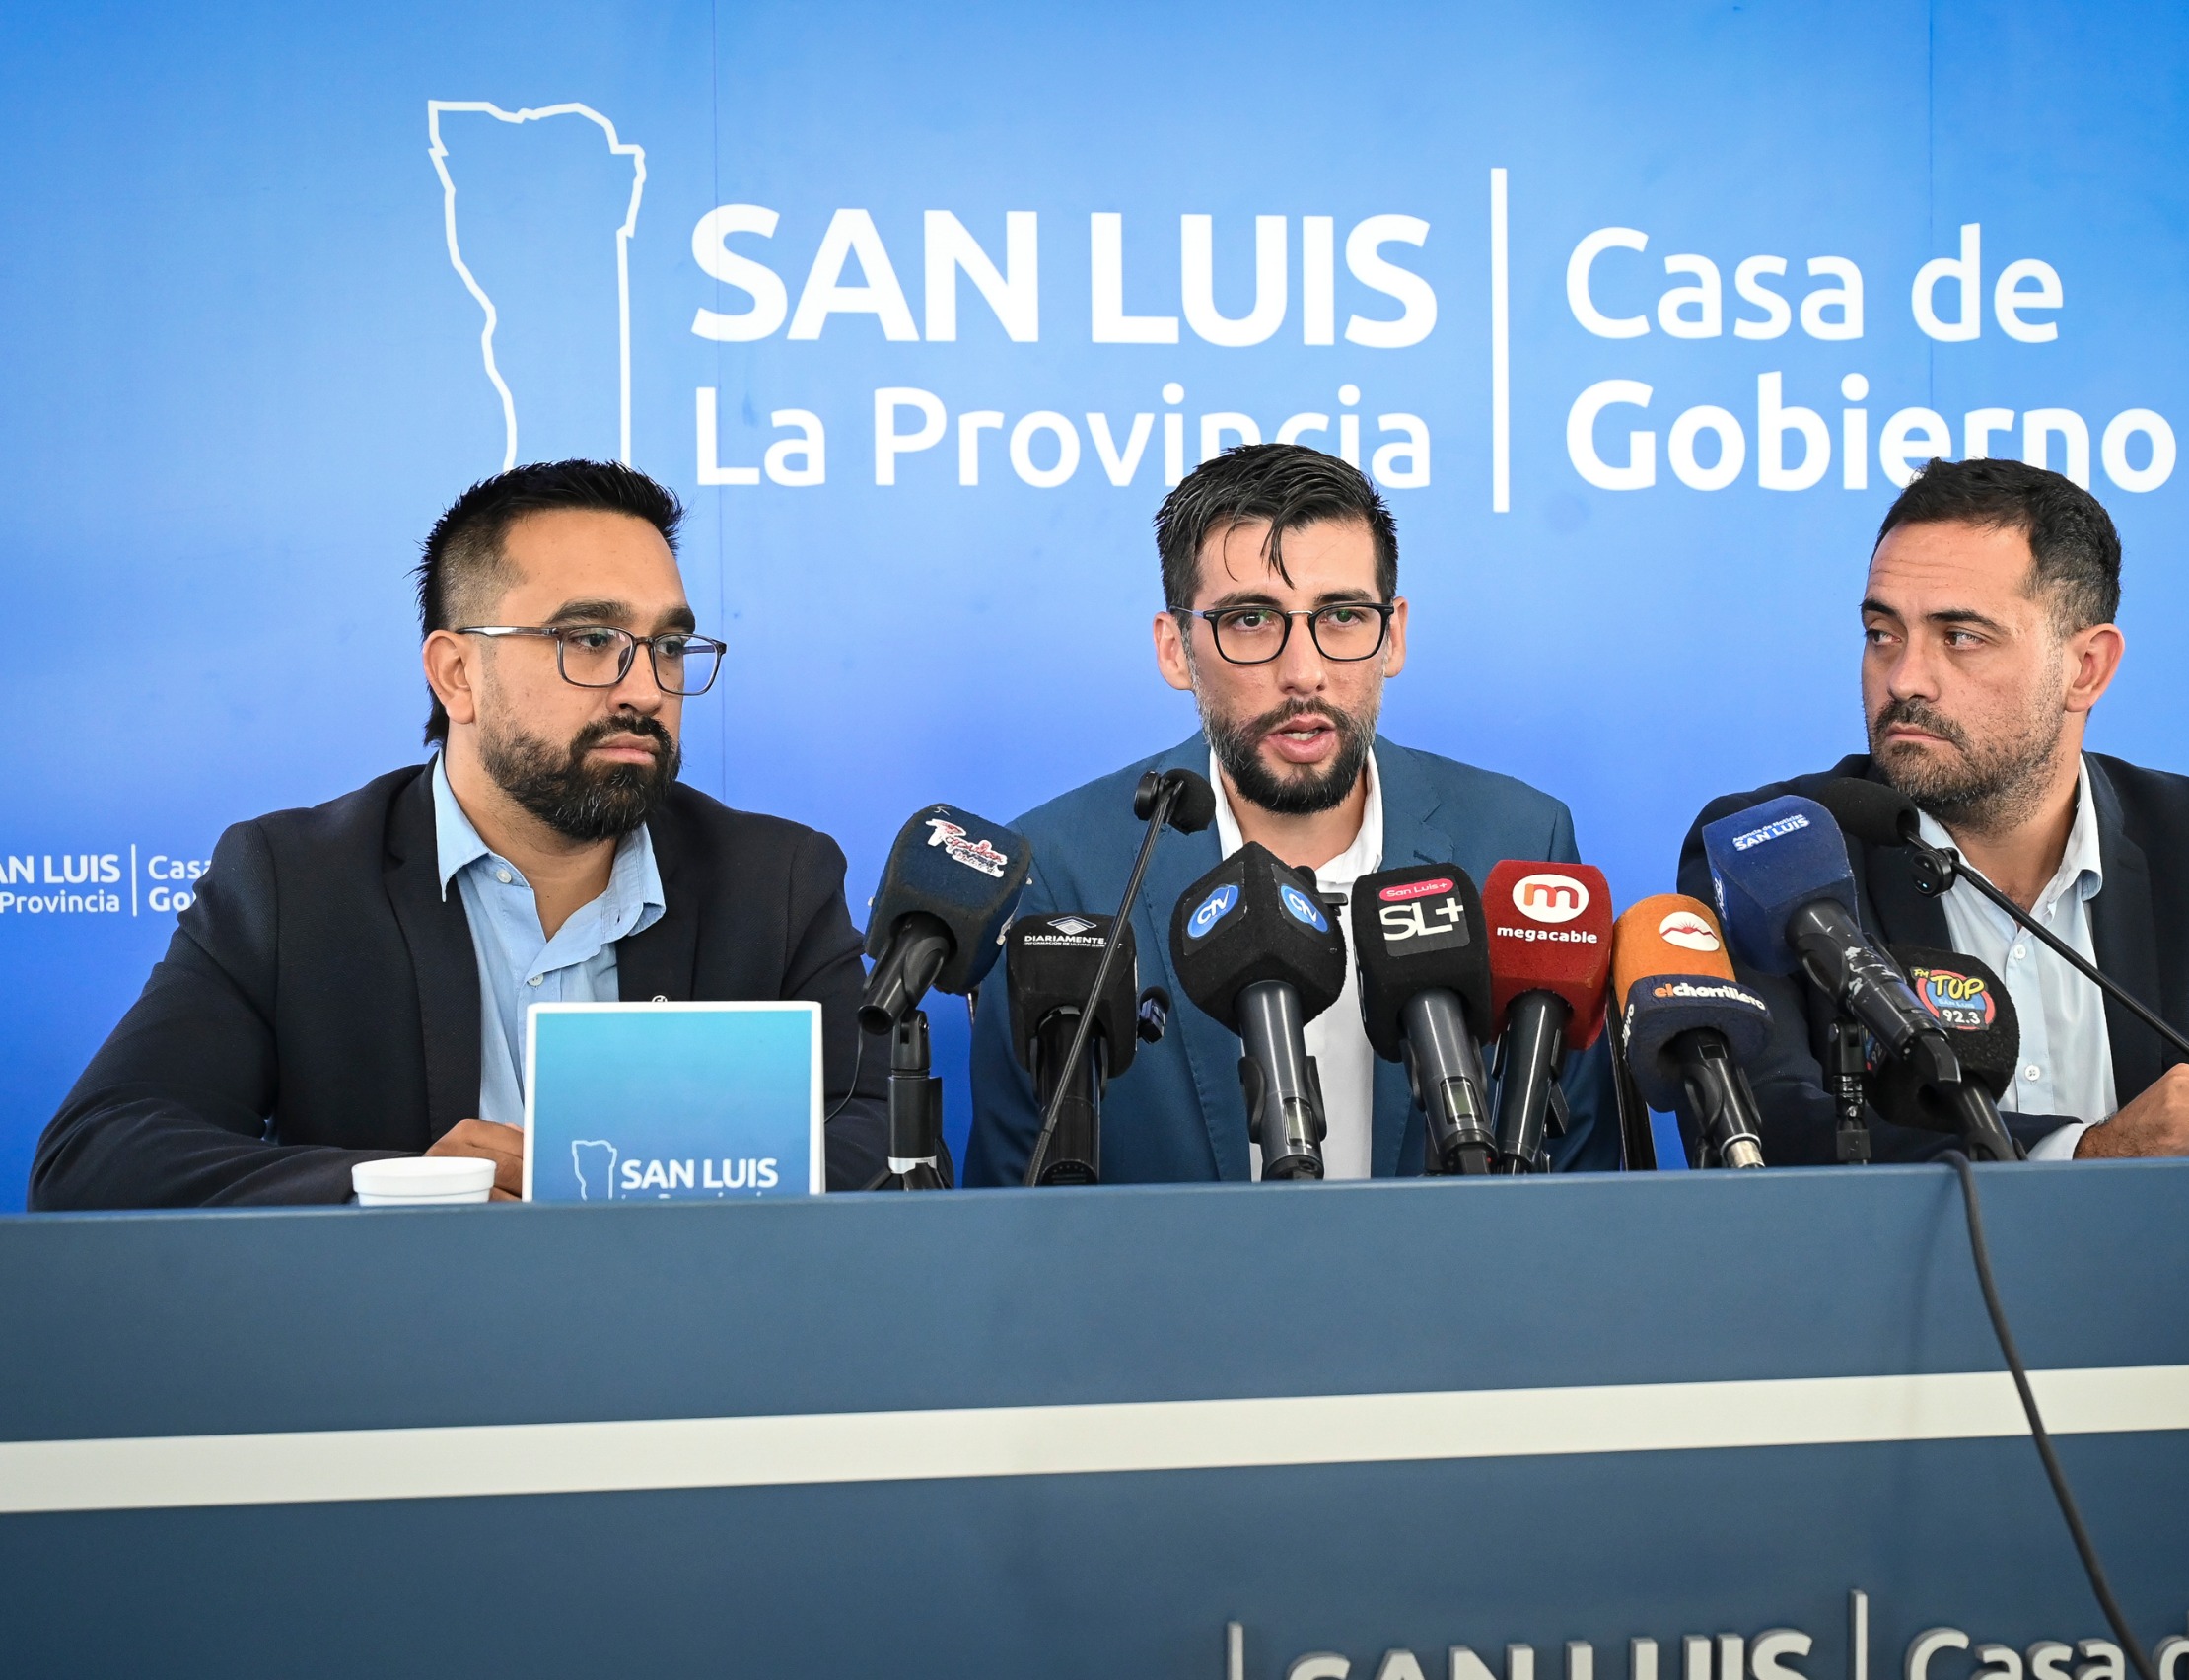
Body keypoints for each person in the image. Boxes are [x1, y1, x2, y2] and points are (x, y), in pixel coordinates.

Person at [31, 461, 888, 1208]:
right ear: (456, 673)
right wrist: (409, 1189)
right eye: (591, 639)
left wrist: (663, 1186)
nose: (645, 689)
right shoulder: (292, 883)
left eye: (667, 644)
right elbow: (96, 1158)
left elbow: (889, 1146)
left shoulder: (776, 880)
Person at [1678, 457, 2189, 1161]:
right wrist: (2092, 1151)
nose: (1904, 679)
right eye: (1882, 632)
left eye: (1960, 636)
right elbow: (1768, 1133)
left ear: (2087, 668)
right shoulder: (1774, 856)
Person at [964, 444, 1619, 1184]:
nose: (1304, 674)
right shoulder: (1062, 872)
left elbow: (1582, 1202)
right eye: (1250, 620)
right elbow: (1015, 1221)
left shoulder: (1521, 845)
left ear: (1394, 635)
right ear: (1176, 650)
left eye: (1342, 616)